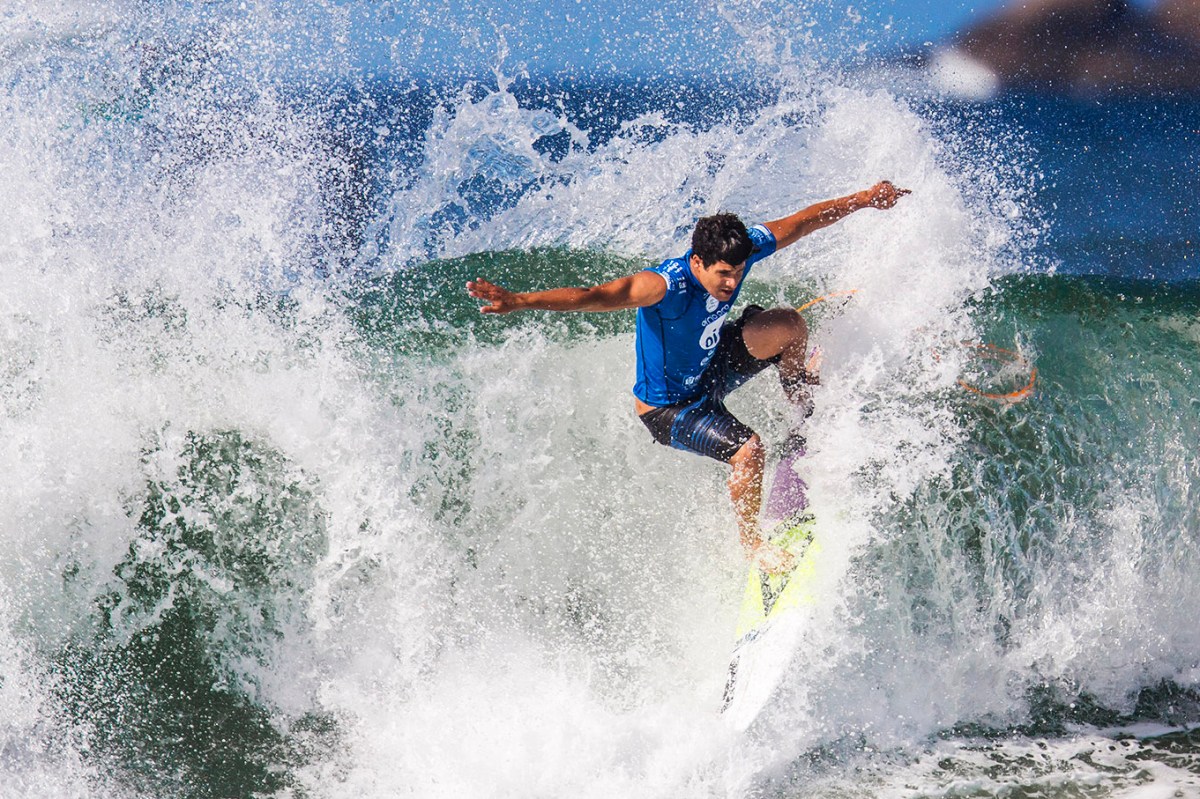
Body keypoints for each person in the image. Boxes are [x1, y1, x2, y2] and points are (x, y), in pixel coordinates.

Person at [466, 181, 909, 571]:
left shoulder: (743, 250)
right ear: (697, 261)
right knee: (749, 451)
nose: (731, 284)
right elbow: (595, 295)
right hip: (668, 408)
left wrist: (865, 199)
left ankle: (802, 402)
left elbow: (801, 222)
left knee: (788, 325)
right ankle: (754, 548)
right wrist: (519, 301)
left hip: (709, 368)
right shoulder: (664, 286)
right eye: (722, 275)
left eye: (737, 273)